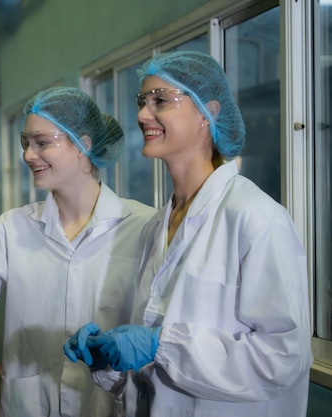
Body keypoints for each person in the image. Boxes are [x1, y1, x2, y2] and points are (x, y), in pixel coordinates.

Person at [64, 51, 313, 416]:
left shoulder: (255, 218)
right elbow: (152, 366)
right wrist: (109, 355)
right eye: (142, 101)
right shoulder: (156, 227)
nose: (142, 114)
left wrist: (161, 346)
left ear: (207, 112)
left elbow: (283, 358)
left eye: (160, 101)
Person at [0, 86, 156, 417]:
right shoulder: (13, 228)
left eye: (42, 143)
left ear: (83, 144)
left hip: (107, 404)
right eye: (25, 143)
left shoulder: (144, 226)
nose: (29, 154)